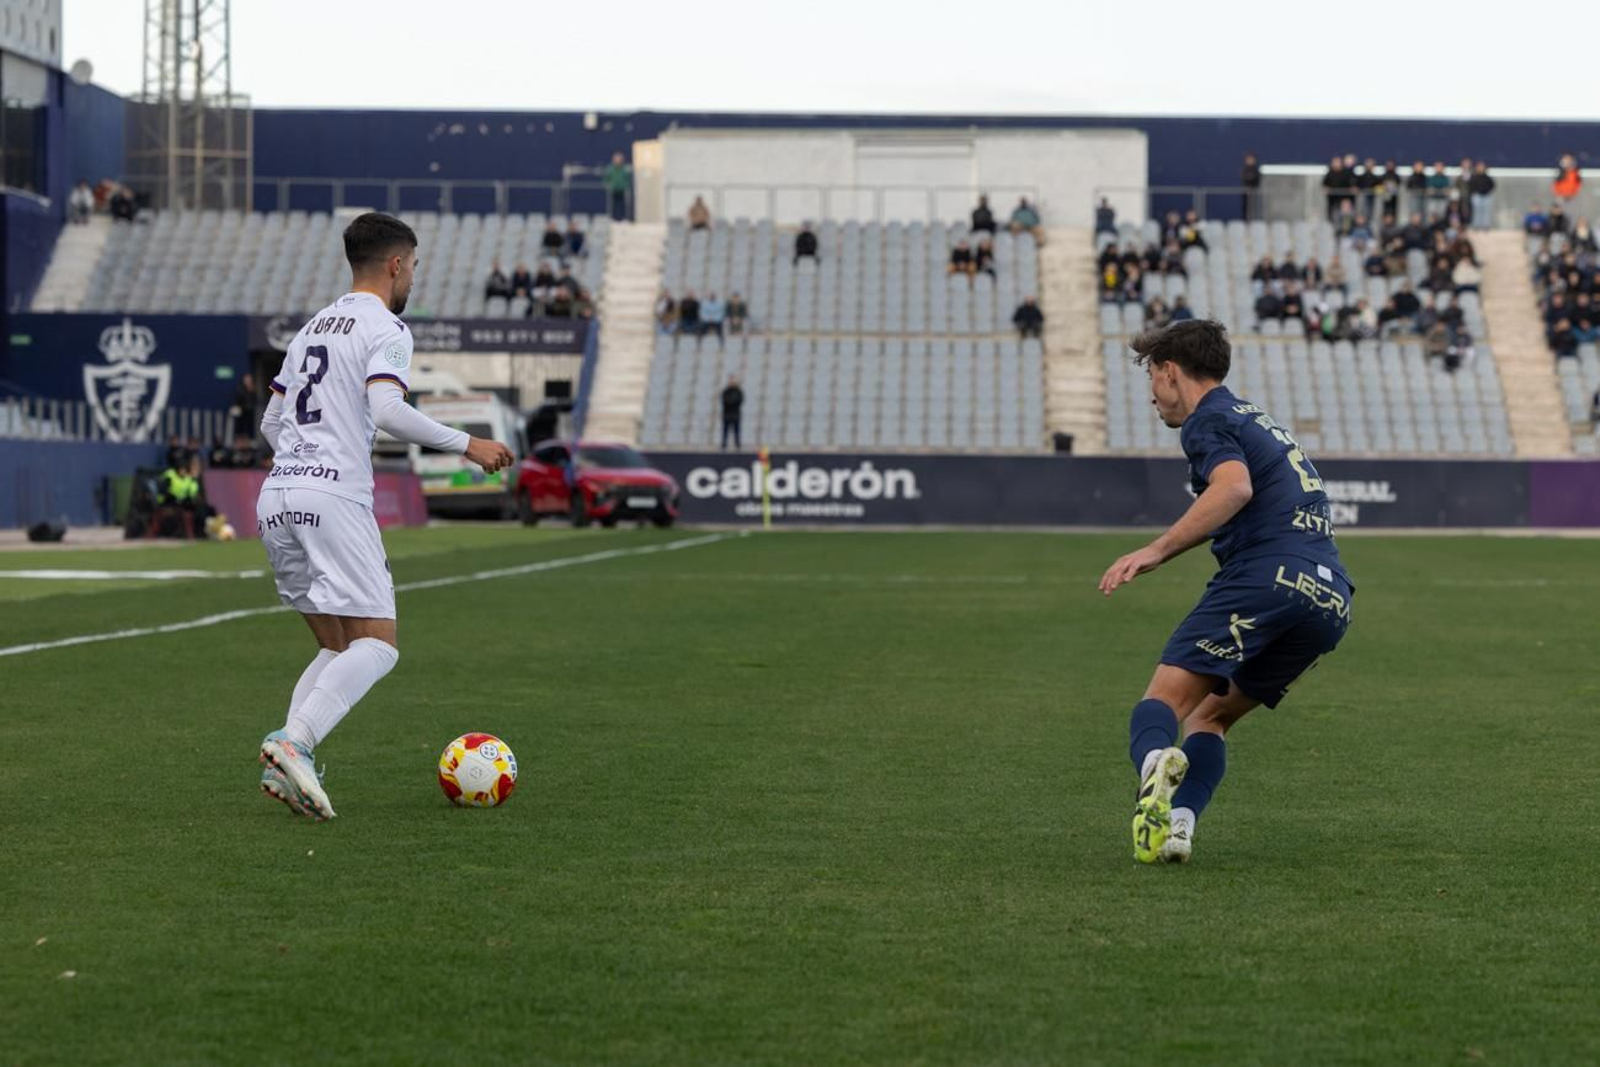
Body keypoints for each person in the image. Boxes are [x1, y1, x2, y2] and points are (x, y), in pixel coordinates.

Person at [254, 212, 514, 820]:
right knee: (378, 645)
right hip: (334, 499)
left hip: (278, 496)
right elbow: (388, 408)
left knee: (337, 644)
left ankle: (292, 762)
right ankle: (295, 743)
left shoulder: (310, 329)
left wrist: (301, 463)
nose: (413, 278)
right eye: (414, 267)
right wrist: (467, 443)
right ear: (396, 263)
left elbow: (271, 422)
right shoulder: (386, 326)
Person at [1101, 318, 1353, 866]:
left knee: (1162, 702)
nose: (1151, 396)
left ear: (1169, 370)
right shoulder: (1253, 415)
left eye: (1150, 377)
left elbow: (1234, 486)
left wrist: (1157, 550)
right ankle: (1179, 828)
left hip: (1267, 573)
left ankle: (1153, 771)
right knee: (1210, 718)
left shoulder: (1207, 419)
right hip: (1330, 597)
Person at [603, 152, 632, 221]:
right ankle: (613, 219)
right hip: (613, 190)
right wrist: (608, 185)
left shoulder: (624, 169)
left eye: (619, 159)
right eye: (617, 159)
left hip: (622, 190)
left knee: (622, 205)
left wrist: (626, 186)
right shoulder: (610, 169)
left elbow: (628, 179)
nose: (618, 161)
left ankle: (623, 219)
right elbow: (606, 179)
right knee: (613, 205)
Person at [231, 373, 259, 440]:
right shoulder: (240, 389)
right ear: (244, 380)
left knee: (248, 430)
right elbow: (239, 400)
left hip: (249, 414)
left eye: (249, 380)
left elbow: (255, 400)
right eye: (246, 379)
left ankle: (247, 445)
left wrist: (252, 392)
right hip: (241, 413)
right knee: (240, 430)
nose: (248, 381)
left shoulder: (253, 390)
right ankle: (240, 445)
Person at [720, 376, 744, 451]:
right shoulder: (726, 391)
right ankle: (724, 444)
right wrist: (731, 402)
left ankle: (737, 445)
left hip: (735, 414)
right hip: (727, 414)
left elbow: (739, 401)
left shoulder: (738, 391)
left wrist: (731, 402)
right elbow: (724, 401)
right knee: (725, 430)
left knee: (736, 430)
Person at [1240, 153, 1261, 221]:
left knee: (1254, 208)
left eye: (1251, 159)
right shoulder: (1245, 171)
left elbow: (1256, 180)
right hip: (1246, 194)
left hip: (1254, 194)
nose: (1250, 161)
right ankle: (1246, 221)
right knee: (1246, 208)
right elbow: (1244, 179)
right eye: (1248, 159)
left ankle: (1254, 220)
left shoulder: (1256, 171)